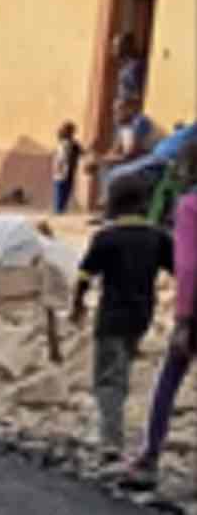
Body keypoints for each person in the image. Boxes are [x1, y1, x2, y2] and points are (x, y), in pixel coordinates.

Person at [74, 171, 173, 461]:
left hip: (111, 317)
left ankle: (110, 440)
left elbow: (84, 274)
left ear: (113, 204)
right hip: (141, 316)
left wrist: (78, 303)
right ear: (144, 203)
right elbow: (180, 268)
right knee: (122, 369)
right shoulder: (157, 238)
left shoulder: (106, 238)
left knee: (107, 378)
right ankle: (116, 429)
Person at [120, 135, 197, 491]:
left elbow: (188, 266)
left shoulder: (189, 207)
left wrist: (183, 318)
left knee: (170, 376)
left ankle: (148, 458)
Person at [54, 122, 84, 215]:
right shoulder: (64, 143)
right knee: (61, 188)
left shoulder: (73, 144)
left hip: (68, 169)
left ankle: (61, 209)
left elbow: (81, 152)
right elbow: (60, 157)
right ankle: (59, 209)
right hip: (63, 169)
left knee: (64, 189)